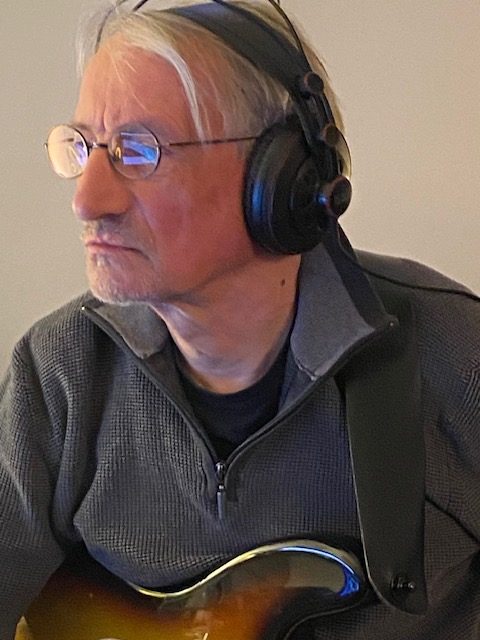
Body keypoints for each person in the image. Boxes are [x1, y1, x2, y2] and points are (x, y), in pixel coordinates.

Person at [1, 1, 479, 638]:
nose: (87, 200)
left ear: (280, 179)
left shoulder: (457, 358)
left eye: (138, 151)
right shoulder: (58, 371)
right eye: (83, 148)